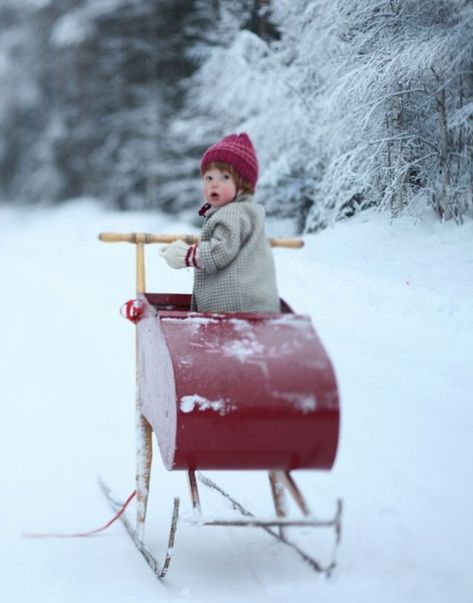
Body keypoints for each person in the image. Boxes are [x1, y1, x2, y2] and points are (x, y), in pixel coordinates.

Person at [160, 132, 280, 313]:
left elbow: (221, 249)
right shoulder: (246, 210)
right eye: (209, 178)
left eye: (224, 177)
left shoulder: (233, 212)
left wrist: (187, 255)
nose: (214, 184)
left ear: (244, 185)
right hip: (253, 304)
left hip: (237, 309)